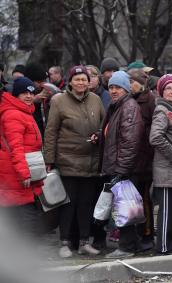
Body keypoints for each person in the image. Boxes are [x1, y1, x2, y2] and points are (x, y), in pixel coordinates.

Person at [44, 65, 105, 258]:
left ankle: (84, 242)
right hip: (68, 161)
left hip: (90, 162)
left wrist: (98, 135)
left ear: (89, 82)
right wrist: (49, 159)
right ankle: (65, 243)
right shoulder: (59, 101)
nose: (81, 83)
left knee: (86, 204)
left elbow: (104, 125)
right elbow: (51, 131)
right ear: (70, 81)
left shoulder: (95, 100)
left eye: (84, 79)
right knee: (68, 204)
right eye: (77, 79)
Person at [99, 71, 144, 259]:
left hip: (124, 168)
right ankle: (134, 245)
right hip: (119, 166)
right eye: (111, 87)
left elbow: (130, 141)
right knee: (127, 207)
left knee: (124, 208)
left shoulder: (129, 106)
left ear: (126, 88)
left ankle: (126, 248)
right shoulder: (117, 106)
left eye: (118, 87)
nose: (114, 90)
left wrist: (121, 171)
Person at [0, 77, 43, 239]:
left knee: (19, 216)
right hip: (16, 174)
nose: (29, 96)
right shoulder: (14, 114)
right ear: (16, 94)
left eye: (31, 93)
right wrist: (23, 173)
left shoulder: (23, 111)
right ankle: (24, 254)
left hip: (17, 171)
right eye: (24, 93)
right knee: (26, 217)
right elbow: (15, 147)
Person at [150, 74, 172, 255]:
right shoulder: (162, 110)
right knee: (167, 212)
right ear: (161, 92)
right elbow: (155, 137)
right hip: (166, 169)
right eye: (168, 89)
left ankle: (171, 243)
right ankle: (163, 246)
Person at [128, 67, 156, 250]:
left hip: (145, 157)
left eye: (132, 82)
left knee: (145, 198)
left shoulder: (150, 100)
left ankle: (147, 234)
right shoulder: (129, 100)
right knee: (133, 198)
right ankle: (135, 234)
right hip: (132, 157)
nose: (130, 85)